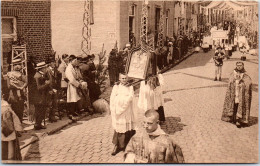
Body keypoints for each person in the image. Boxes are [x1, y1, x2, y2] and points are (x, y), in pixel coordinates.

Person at [110, 73, 136, 156]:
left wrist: (126, 101)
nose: (124, 80)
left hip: (127, 109)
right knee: (119, 128)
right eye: (122, 78)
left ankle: (128, 146)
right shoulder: (116, 87)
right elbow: (112, 97)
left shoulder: (130, 87)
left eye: (125, 78)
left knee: (128, 127)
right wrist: (115, 107)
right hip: (118, 110)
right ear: (119, 79)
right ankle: (117, 145)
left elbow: (131, 96)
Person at [221, 62, 252, 128]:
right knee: (234, 105)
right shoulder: (233, 74)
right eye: (237, 65)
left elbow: (248, 83)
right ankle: (233, 118)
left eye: (240, 65)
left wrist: (242, 85)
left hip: (242, 94)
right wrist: (234, 82)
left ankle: (239, 120)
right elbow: (230, 82)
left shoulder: (246, 75)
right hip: (234, 92)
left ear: (243, 66)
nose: (239, 67)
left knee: (240, 105)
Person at [6, 58, 28, 123]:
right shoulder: (9, 74)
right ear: (13, 66)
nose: (18, 66)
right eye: (16, 64)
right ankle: (15, 128)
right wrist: (18, 86)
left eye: (19, 64)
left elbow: (26, 82)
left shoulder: (21, 74)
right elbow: (9, 86)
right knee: (14, 111)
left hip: (20, 95)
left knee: (20, 111)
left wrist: (22, 86)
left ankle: (20, 127)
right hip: (13, 95)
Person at [65, 55, 83, 120]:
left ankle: (73, 112)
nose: (76, 62)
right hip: (72, 85)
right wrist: (78, 84)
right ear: (71, 61)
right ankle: (70, 113)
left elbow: (76, 76)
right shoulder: (69, 68)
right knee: (71, 99)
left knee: (75, 99)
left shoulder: (73, 67)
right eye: (74, 60)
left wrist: (79, 81)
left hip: (75, 85)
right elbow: (71, 79)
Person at [33, 62, 50, 130]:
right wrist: (47, 84)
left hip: (42, 96)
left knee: (42, 110)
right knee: (39, 111)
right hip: (38, 97)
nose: (46, 69)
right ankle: (37, 124)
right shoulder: (37, 76)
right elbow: (39, 87)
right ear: (41, 68)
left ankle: (39, 124)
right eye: (45, 68)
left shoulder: (41, 75)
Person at [46, 57, 59, 122]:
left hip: (55, 88)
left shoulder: (55, 70)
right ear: (50, 63)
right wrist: (51, 89)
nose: (54, 63)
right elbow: (47, 81)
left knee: (54, 103)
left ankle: (52, 116)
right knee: (49, 103)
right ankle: (49, 117)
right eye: (53, 62)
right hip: (50, 89)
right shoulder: (47, 70)